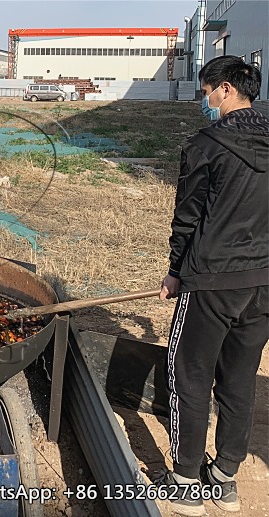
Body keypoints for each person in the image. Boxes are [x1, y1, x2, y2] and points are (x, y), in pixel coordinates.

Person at [156, 55, 268, 516]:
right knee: (239, 379)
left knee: (190, 374)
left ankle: (185, 481)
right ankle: (224, 480)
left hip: (211, 280)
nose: (206, 101)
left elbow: (188, 216)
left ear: (224, 89)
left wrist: (175, 271)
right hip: (263, 284)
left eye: (206, 93)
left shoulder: (207, 144)